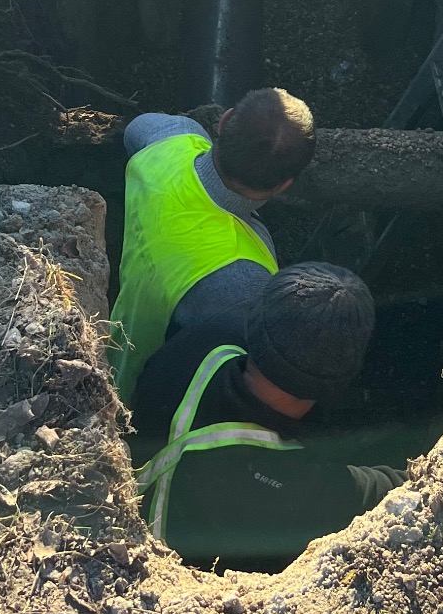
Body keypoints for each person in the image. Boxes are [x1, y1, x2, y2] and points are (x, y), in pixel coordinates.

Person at [131, 261, 401, 567]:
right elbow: (395, 489)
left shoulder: (195, 346)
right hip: (181, 583)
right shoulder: (298, 485)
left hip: (127, 527)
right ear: (339, 386)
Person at [109, 87, 316, 400]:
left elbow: (136, 128)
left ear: (224, 121)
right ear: (284, 185)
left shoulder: (172, 139)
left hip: (116, 337)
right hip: (140, 398)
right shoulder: (243, 281)